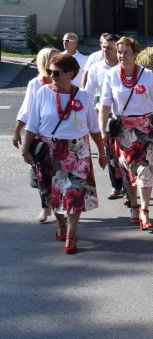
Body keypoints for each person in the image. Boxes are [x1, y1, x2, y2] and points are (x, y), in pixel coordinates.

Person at [21, 53, 108, 254]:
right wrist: (25, 149)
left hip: (76, 151)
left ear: (70, 73)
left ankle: (71, 234)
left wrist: (102, 153)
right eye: (50, 71)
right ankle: (60, 222)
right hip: (48, 149)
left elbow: (94, 128)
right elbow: (33, 124)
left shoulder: (83, 96)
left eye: (57, 72)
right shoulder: (43, 92)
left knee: (73, 193)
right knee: (52, 192)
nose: (52, 75)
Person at [99, 37, 153, 230]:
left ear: (136, 54)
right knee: (128, 171)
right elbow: (104, 106)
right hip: (123, 130)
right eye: (119, 52)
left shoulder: (147, 75)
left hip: (145, 128)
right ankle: (134, 206)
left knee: (146, 169)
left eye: (126, 52)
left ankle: (144, 210)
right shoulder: (111, 75)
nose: (121, 56)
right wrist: (103, 131)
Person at [13, 47, 58, 223]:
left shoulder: (65, 81)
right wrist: (17, 132)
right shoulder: (36, 83)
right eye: (52, 59)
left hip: (62, 137)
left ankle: (62, 207)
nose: (55, 62)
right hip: (41, 137)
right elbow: (27, 111)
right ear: (43, 63)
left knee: (62, 174)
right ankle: (45, 208)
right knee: (43, 174)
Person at [81, 34, 124, 201]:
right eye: (104, 47)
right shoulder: (96, 68)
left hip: (123, 116)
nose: (105, 50)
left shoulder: (126, 67)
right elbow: (88, 94)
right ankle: (117, 186)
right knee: (110, 154)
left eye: (110, 48)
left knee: (126, 154)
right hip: (105, 116)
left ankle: (129, 191)